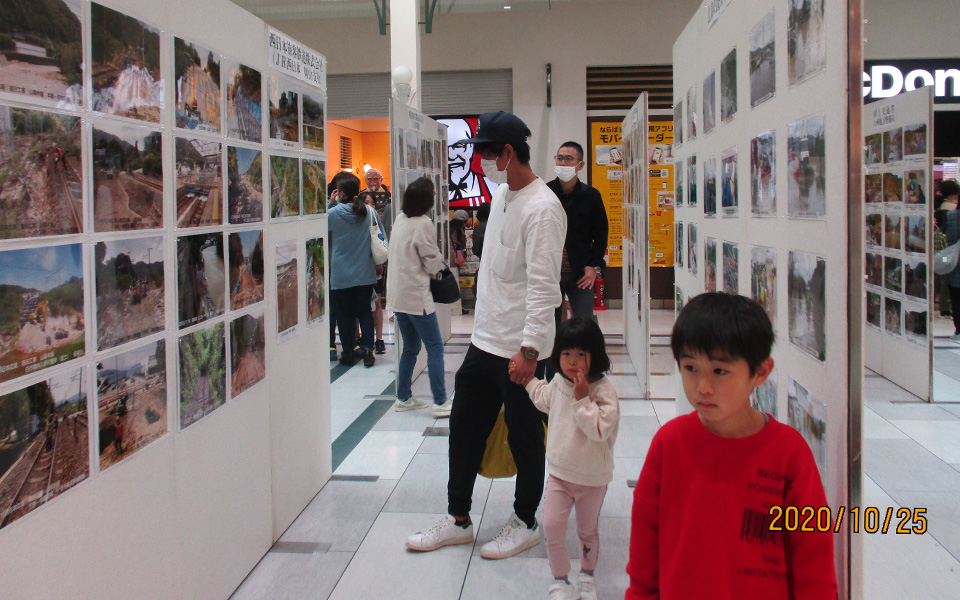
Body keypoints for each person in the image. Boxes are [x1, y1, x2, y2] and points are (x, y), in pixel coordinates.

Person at [405, 111, 566, 559]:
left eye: (488, 154)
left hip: (520, 348)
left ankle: (527, 520)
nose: (482, 163)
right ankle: (458, 518)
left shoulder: (544, 209)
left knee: (525, 436)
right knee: (465, 428)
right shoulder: (500, 196)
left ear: (508, 152)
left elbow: (543, 286)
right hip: (484, 342)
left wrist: (530, 350)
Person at [626, 292, 837, 600]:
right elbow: (644, 555)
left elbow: (813, 563)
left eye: (720, 371)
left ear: (760, 372)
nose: (703, 387)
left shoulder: (790, 453)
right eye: (690, 368)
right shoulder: (668, 445)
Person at [519, 318, 618, 600]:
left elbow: (599, 429)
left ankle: (587, 576)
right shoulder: (560, 382)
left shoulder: (603, 391)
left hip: (592, 479)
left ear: (594, 355)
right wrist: (529, 381)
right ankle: (561, 580)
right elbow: (545, 399)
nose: (573, 362)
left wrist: (582, 399)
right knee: (552, 526)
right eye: (566, 354)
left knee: (587, 531)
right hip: (560, 474)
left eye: (581, 355)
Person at [386, 177, 450, 416]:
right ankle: (441, 401)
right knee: (434, 347)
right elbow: (432, 262)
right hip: (416, 296)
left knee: (410, 347)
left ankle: (403, 397)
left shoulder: (400, 219)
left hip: (398, 297)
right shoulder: (423, 223)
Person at [546, 142, 608, 324]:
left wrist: (595, 267)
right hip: (550, 272)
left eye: (568, 159)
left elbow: (602, 233)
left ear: (580, 165)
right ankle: (556, 353)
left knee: (584, 322)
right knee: (550, 325)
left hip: (580, 273)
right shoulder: (545, 192)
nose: (563, 163)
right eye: (559, 158)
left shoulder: (591, 196)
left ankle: (584, 353)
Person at [327, 173, 381, 368]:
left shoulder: (333, 213)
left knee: (344, 314)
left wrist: (330, 204)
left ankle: (348, 352)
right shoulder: (368, 212)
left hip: (340, 274)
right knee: (365, 312)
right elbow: (380, 236)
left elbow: (321, 231)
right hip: (364, 272)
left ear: (340, 193)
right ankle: (368, 350)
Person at [361, 191, 387, 354]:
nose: (369, 206)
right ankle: (361, 337)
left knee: (376, 303)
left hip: (375, 266)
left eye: (371, 203)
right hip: (361, 268)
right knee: (360, 306)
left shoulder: (376, 219)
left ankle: (379, 338)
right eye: (365, 203)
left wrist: (381, 262)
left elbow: (382, 240)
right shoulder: (355, 219)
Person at [942, 183, 960, 340]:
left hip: (955, 261)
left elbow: (946, 235)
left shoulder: (950, 216)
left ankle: (958, 329)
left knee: (955, 297)